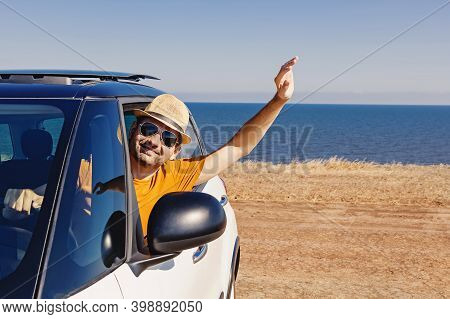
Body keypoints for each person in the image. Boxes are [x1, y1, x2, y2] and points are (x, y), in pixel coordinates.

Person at [3, 56, 299, 235]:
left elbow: (239, 147)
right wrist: (25, 196)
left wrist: (279, 100)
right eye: (149, 128)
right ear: (134, 130)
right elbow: (50, 194)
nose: (155, 141)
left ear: (175, 151)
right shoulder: (86, 168)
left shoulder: (175, 175)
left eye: (168, 138)